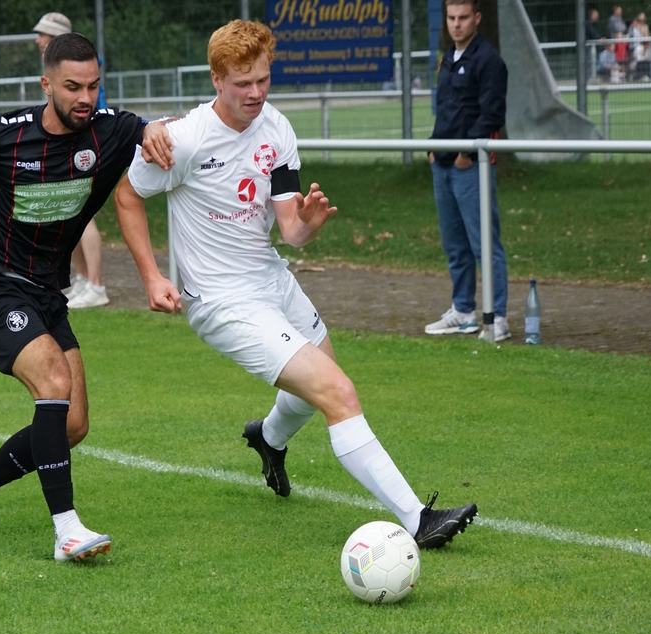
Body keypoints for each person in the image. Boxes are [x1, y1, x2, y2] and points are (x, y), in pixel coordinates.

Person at [113, 20, 477, 550]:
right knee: (337, 391)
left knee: (314, 386)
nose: (256, 93)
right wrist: (151, 276)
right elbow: (126, 197)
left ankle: (268, 438)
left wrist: (308, 223)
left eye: (263, 79)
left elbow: (290, 231)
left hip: (272, 279)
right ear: (217, 79)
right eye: (243, 83)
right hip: (220, 300)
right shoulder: (185, 139)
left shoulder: (277, 128)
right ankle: (418, 520)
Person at [0, 33, 174, 560]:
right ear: (47, 84)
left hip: (46, 292)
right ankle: (67, 530)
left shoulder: (111, 130)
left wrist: (158, 126)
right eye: (72, 87)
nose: (85, 98)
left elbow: (170, 129)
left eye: (93, 86)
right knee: (55, 382)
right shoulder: (5, 132)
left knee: (73, 425)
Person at [424, 0, 510, 342]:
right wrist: (433, 148)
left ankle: (498, 316)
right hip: (442, 165)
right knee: (454, 245)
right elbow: (446, 110)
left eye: (462, 18)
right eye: (451, 18)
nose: (456, 24)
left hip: (470, 166)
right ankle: (463, 311)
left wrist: (466, 153)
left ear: (476, 18)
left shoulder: (489, 60)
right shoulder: (448, 58)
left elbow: (492, 115)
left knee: (484, 243)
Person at [35, 11, 110, 309]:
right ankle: (82, 279)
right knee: (69, 211)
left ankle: (96, 285)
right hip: (70, 143)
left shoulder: (81, 66)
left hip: (86, 144)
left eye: (43, 34)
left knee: (83, 213)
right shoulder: (55, 67)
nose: (38, 39)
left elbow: (93, 111)